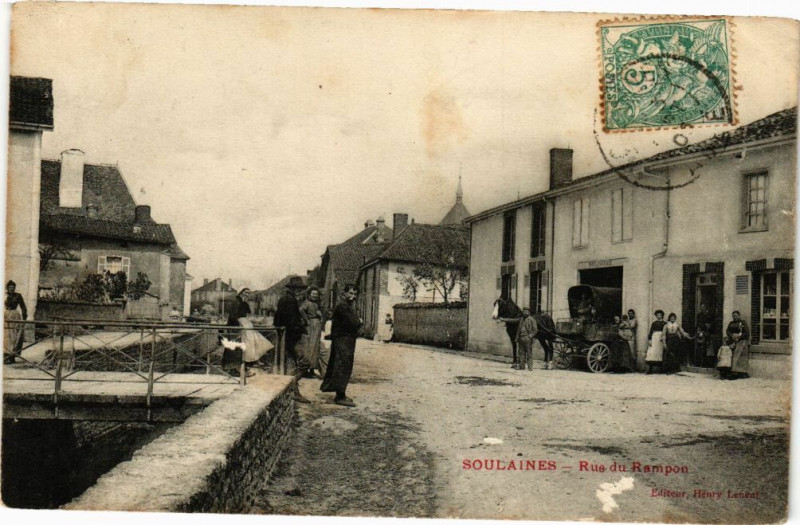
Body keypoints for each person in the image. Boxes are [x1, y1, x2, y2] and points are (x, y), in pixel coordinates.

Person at [321, 284, 362, 407]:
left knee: (344, 365)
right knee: (342, 366)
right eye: (350, 293)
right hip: (342, 341)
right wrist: (359, 322)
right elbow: (353, 322)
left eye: (355, 294)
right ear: (344, 293)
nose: (353, 296)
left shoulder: (347, 306)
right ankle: (339, 396)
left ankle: (341, 393)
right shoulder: (342, 306)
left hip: (346, 340)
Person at [275, 277, 311, 403]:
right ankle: (291, 387)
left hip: (286, 336)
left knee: (292, 365)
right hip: (292, 338)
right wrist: (301, 329)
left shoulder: (285, 299)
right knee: (305, 362)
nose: (301, 292)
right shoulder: (290, 301)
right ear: (293, 289)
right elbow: (291, 322)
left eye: (301, 289)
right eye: (299, 289)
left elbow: (277, 320)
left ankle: (294, 391)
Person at [223, 288, 254, 377]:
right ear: (240, 293)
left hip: (240, 329)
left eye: (248, 293)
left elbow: (247, 314)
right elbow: (234, 316)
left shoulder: (243, 303)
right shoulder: (237, 302)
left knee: (242, 348)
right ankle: (234, 369)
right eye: (245, 293)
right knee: (234, 349)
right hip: (235, 328)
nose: (247, 295)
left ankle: (241, 368)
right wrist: (241, 324)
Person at [298, 286, 325, 377]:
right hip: (312, 326)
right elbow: (301, 310)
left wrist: (320, 316)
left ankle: (312, 369)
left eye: (316, 294)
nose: (315, 296)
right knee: (311, 347)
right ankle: (307, 369)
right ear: (309, 294)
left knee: (316, 348)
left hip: (316, 326)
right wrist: (306, 320)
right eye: (313, 294)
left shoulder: (316, 304)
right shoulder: (307, 303)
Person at [4, 280, 27, 364]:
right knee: (5, 336)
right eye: (10, 287)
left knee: (15, 337)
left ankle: (12, 356)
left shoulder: (18, 296)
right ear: (7, 288)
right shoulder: (4, 295)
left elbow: (23, 306)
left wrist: (24, 318)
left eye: (13, 287)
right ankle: (5, 356)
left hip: (14, 316)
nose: (12, 289)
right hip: (5, 316)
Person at [724, 311, 750, 379]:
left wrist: (739, 336)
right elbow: (727, 331)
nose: (735, 317)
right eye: (733, 316)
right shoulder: (731, 323)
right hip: (732, 341)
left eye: (736, 316)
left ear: (739, 315)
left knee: (738, 357)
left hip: (741, 342)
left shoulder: (743, 323)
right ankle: (732, 371)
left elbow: (746, 333)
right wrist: (731, 335)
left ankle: (740, 372)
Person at [645, 310, 667, 374]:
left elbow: (665, 332)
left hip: (661, 338)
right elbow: (651, 331)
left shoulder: (664, 323)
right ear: (656, 316)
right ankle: (650, 369)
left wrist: (663, 338)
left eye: (660, 315)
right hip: (654, 338)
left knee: (660, 352)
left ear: (662, 316)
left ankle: (661, 370)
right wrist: (649, 339)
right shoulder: (654, 323)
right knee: (652, 352)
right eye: (657, 315)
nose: (659, 316)